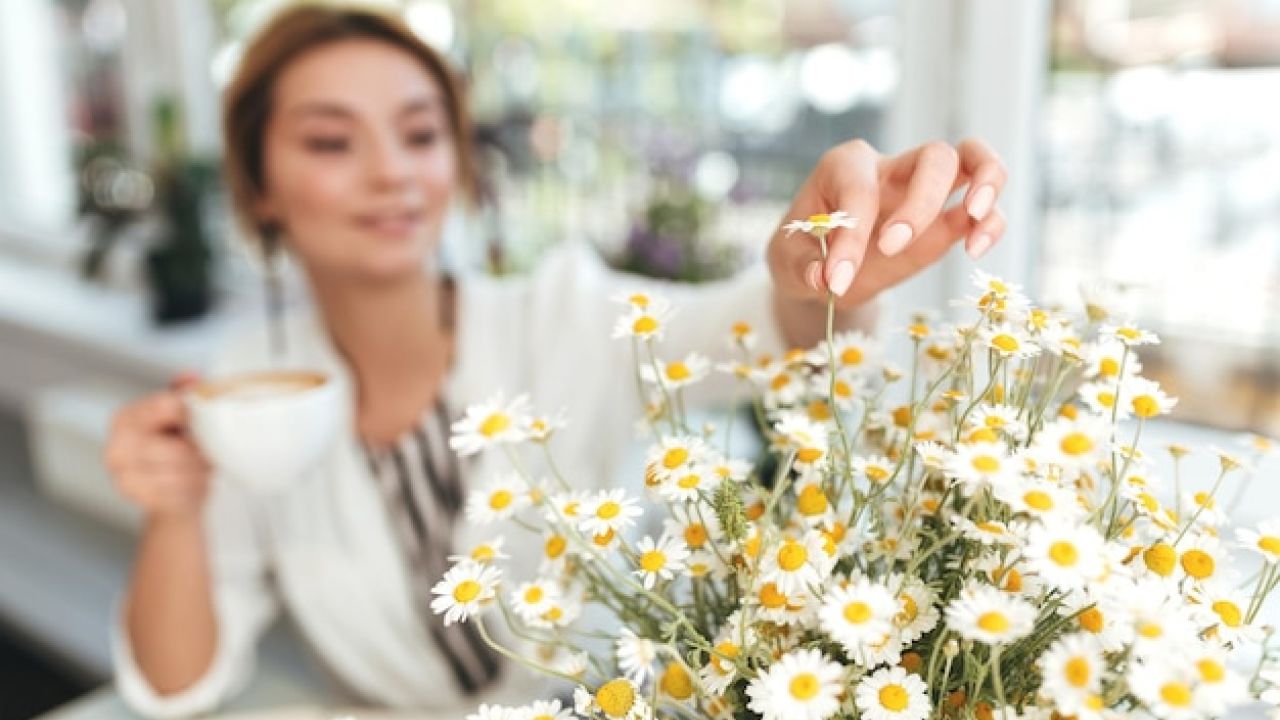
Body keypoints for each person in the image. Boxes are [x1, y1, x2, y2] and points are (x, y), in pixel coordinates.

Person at [104, 4, 1009, 718]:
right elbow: (178, 686)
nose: (391, 172)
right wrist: (174, 509)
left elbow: (759, 339)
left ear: (457, 164)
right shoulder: (244, 392)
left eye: (420, 134)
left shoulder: (562, 315)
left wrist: (817, 276)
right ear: (256, 184)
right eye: (331, 141)